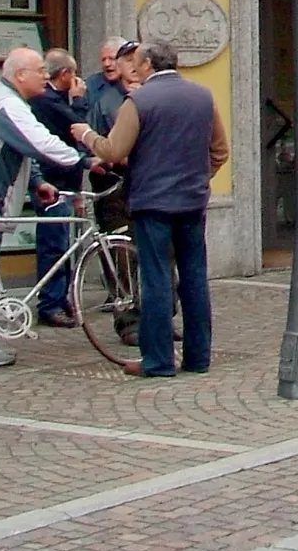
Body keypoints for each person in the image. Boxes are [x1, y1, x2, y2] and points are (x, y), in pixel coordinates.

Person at [75, 41, 226, 378]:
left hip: (152, 201)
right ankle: (198, 357)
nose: (133, 67)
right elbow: (220, 150)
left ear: (146, 65)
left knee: (155, 278)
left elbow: (114, 150)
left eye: (136, 62)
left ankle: (158, 360)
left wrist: (86, 135)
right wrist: (200, 178)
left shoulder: (139, 101)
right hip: (192, 201)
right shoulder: (203, 96)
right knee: (194, 278)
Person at [0, 47, 97, 366]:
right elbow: (39, 142)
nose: (46, 75)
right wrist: (85, 159)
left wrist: (37, 182)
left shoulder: (12, 102)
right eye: (40, 70)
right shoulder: (7, 104)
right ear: (19, 76)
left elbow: (21, 150)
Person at [22, 50, 90, 328]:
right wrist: (80, 102)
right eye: (72, 74)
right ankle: (49, 303)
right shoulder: (46, 100)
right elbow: (79, 128)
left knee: (64, 244)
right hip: (51, 184)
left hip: (66, 183)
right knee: (54, 244)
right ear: (65, 74)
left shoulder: (54, 98)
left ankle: (60, 297)